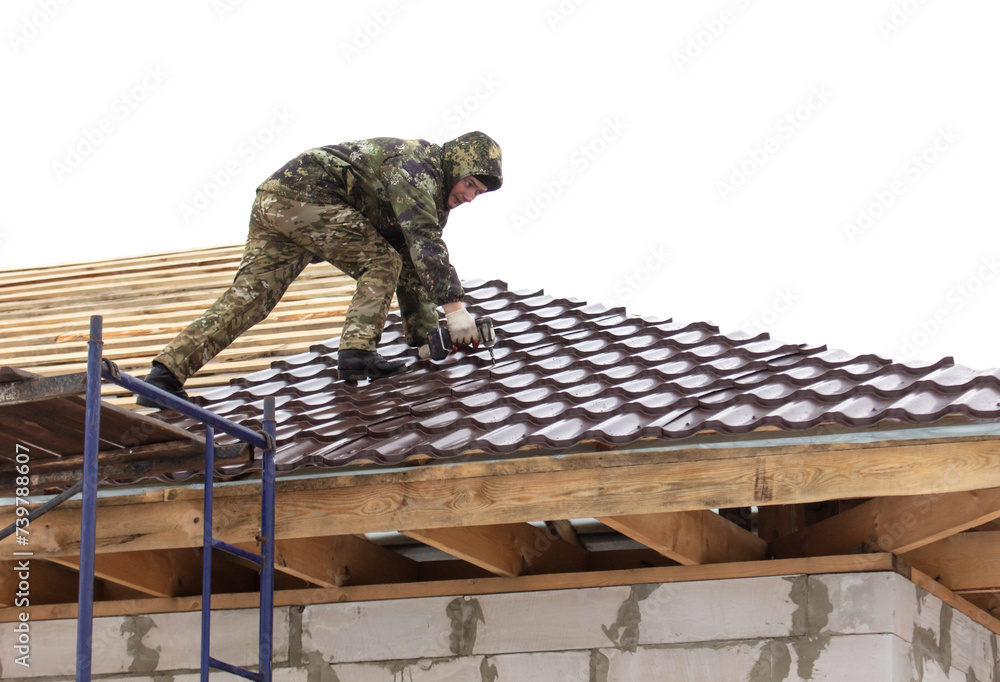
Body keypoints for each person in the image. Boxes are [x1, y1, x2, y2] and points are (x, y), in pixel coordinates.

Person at [136, 131, 502, 406]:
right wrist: (454, 309)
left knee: (252, 297)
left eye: (478, 193)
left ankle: (165, 374)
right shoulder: (419, 169)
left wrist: (425, 337)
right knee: (379, 260)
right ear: (454, 165)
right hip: (307, 197)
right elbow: (423, 244)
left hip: (278, 201)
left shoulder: (432, 196)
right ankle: (357, 353)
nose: (469, 197)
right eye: (468, 183)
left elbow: (412, 267)